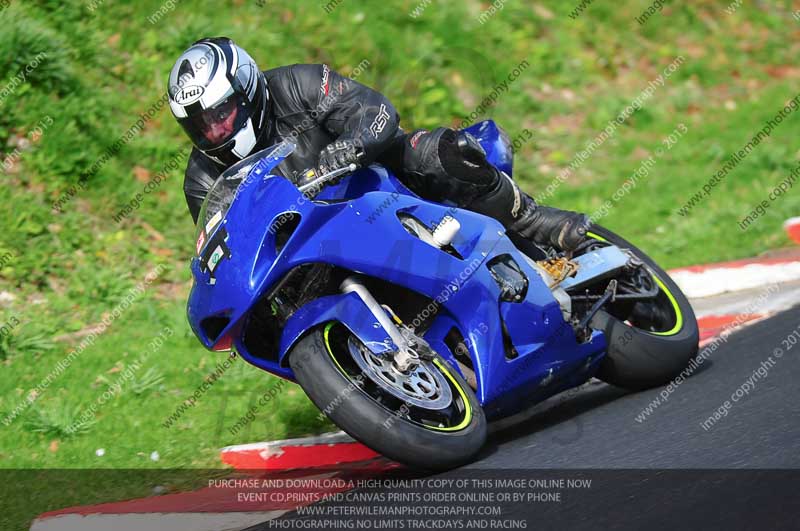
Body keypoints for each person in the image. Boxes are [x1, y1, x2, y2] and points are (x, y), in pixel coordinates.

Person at [168, 37, 588, 251]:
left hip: (376, 183)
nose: (215, 130)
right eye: (199, 124)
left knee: (436, 152)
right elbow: (227, 245)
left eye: (220, 113)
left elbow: (377, 111)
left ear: (246, 92)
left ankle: (531, 219)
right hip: (315, 242)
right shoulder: (201, 181)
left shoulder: (298, 84)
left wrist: (349, 147)